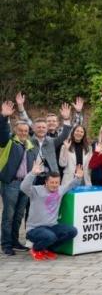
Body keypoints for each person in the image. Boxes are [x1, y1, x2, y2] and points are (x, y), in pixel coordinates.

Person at [21, 159, 82, 260]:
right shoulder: (36, 190)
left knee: (72, 231)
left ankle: (47, 249)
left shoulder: (60, 189)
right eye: (52, 182)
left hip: (52, 226)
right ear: (46, 182)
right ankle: (36, 249)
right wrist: (32, 174)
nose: (54, 185)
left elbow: (72, 185)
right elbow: (23, 187)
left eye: (57, 182)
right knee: (50, 236)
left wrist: (78, 177)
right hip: (34, 229)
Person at [1, 101, 39, 255]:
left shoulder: (31, 146)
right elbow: (2, 132)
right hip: (11, 183)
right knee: (8, 215)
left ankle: (15, 241)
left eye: (25, 130)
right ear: (15, 131)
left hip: (25, 185)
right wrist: (4, 117)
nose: (23, 132)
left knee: (18, 215)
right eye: (20, 130)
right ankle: (6, 244)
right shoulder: (8, 142)